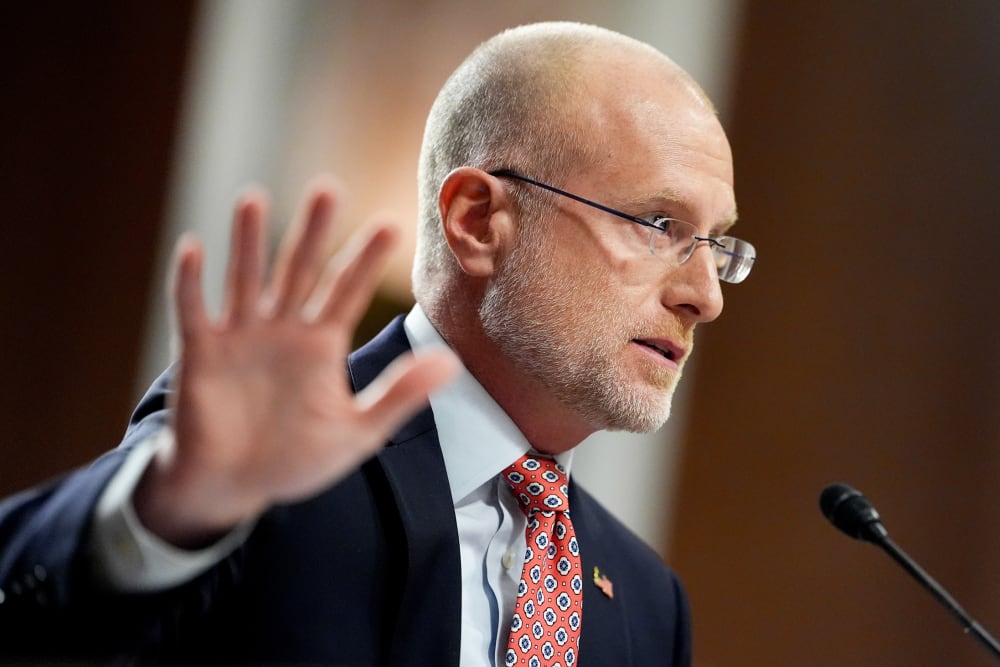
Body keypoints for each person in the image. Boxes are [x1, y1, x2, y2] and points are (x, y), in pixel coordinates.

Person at [0, 21, 753, 666]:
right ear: (478, 220)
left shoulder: (649, 604)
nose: (706, 297)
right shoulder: (269, 455)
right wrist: (173, 508)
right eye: (660, 226)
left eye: (717, 245)